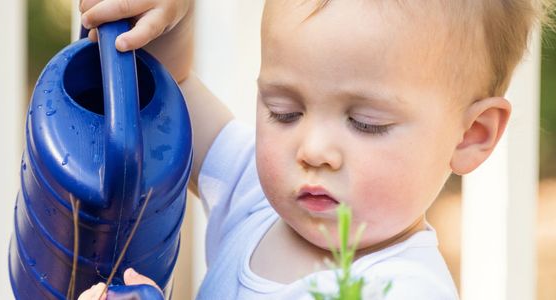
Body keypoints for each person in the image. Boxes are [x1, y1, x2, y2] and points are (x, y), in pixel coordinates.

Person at [78, 0, 549, 299]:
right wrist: (169, 19)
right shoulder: (258, 200)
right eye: (284, 111)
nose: (314, 150)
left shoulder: (403, 289)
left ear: (471, 134)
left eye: (367, 123)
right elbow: (171, 89)